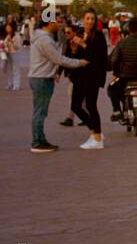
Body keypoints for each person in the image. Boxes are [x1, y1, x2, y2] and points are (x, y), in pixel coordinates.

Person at [29, 15, 89, 152]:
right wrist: (79, 63)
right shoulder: (45, 40)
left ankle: (40, 139)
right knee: (40, 112)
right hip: (42, 79)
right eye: (57, 21)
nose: (59, 24)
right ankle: (37, 142)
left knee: (39, 111)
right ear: (49, 23)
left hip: (38, 77)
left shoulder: (41, 37)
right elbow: (59, 59)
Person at [65, 9, 109, 149]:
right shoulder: (78, 33)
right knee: (75, 106)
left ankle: (97, 138)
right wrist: (73, 49)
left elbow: (98, 56)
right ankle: (95, 132)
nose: (90, 21)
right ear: (83, 19)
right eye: (87, 18)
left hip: (93, 76)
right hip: (79, 75)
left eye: (92, 19)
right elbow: (72, 56)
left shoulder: (98, 36)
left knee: (91, 105)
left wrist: (83, 44)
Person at [2, 21, 22, 90]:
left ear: (12, 28)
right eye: (6, 27)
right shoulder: (8, 35)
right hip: (8, 54)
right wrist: (3, 45)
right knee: (8, 69)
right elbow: (4, 43)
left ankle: (16, 85)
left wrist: (12, 41)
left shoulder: (17, 36)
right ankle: (10, 84)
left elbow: (18, 46)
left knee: (15, 70)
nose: (6, 28)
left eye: (8, 27)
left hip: (15, 54)